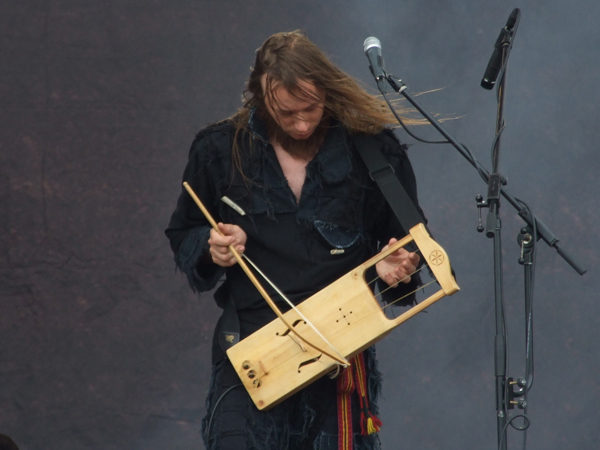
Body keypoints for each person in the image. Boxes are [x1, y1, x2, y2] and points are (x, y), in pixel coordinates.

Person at [166, 30, 426, 450]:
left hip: (340, 350)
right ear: (259, 95)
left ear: (327, 92)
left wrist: (393, 265)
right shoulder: (218, 149)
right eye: (286, 112)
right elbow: (183, 234)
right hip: (253, 351)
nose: (302, 124)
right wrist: (212, 246)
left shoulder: (375, 150)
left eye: (311, 108)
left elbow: (413, 245)